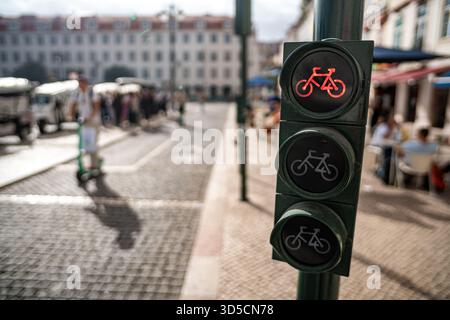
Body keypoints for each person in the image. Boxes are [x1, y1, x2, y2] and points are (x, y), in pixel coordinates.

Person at [69, 76, 102, 169]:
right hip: (83, 121)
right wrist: (71, 115)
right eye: (79, 83)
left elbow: (96, 107)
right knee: (85, 143)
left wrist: (89, 117)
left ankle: (95, 164)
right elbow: (72, 105)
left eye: (82, 83)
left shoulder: (92, 93)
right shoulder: (77, 93)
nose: (80, 85)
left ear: (86, 83)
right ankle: (92, 162)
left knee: (93, 142)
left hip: (93, 121)